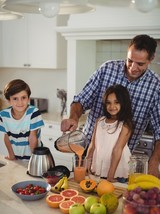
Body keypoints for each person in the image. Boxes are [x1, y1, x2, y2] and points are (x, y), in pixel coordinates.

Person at [61, 34, 160, 178]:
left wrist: (154, 162)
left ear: (151, 59)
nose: (133, 67)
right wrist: (73, 117)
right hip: (88, 152)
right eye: (130, 60)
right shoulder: (107, 69)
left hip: (119, 162)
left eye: (140, 64)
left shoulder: (156, 86)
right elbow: (81, 99)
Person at [85, 85, 133, 182]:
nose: (112, 107)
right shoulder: (99, 121)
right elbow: (92, 146)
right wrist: (85, 168)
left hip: (117, 173)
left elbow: (117, 150)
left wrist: (110, 176)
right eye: (108, 103)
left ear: (123, 103)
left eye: (116, 102)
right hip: (98, 170)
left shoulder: (125, 124)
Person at [0, 79, 44, 161]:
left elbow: (32, 138)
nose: (20, 102)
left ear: (28, 98)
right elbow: (6, 137)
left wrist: (33, 159)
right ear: (9, 100)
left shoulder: (33, 112)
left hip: (35, 156)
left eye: (23, 97)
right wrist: (11, 155)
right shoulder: (4, 115)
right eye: (15, 99)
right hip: (16, 157)